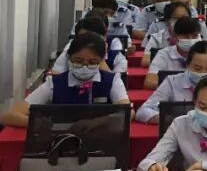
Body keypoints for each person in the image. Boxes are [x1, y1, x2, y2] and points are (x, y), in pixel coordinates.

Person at [1, 33, 130, 127]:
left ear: (101, 61)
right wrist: (41, 124)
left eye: (92, 62)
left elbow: (128, 113)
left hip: (101, 142)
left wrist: (97, 122)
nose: (84, 67)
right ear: (68, 58)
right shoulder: (54, 83)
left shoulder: (112, 81)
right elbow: (8, 116)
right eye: (78, 61)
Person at [136, 42, 207, 124]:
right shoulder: (172, 82)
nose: (203, 73)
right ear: (187, 65)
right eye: (197, 68)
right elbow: (143, 111)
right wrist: (172, 120)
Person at [53, 16, 128, 76]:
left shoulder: (118, 58)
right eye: (83, 38)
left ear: (104, 37)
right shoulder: (68, 54)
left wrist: (101, 59)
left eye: (94, 38)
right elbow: (55, 75)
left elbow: (116, 82)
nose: (88, 41)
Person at [146, 17, 206, 90]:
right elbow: (149, 83)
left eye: (195, 35)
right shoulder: (163, 54)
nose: (190, 39)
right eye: (185, 35)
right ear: (175, 36)